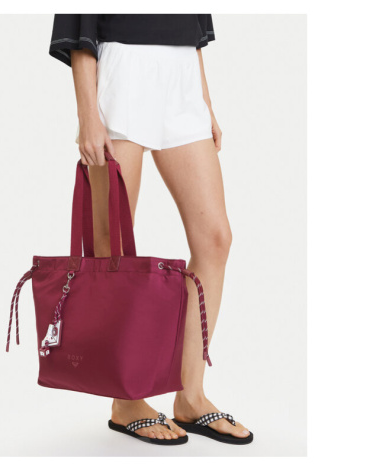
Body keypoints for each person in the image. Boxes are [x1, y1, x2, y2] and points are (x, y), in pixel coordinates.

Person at [49, 14, 252, 445]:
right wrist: (88, 114)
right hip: (123, 69)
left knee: (215, 239)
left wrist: (205, 102)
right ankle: (126, 402)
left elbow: (192, 25)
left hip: (182, 75)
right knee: (114, 248)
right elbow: (79, 18)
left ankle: (191, 396)